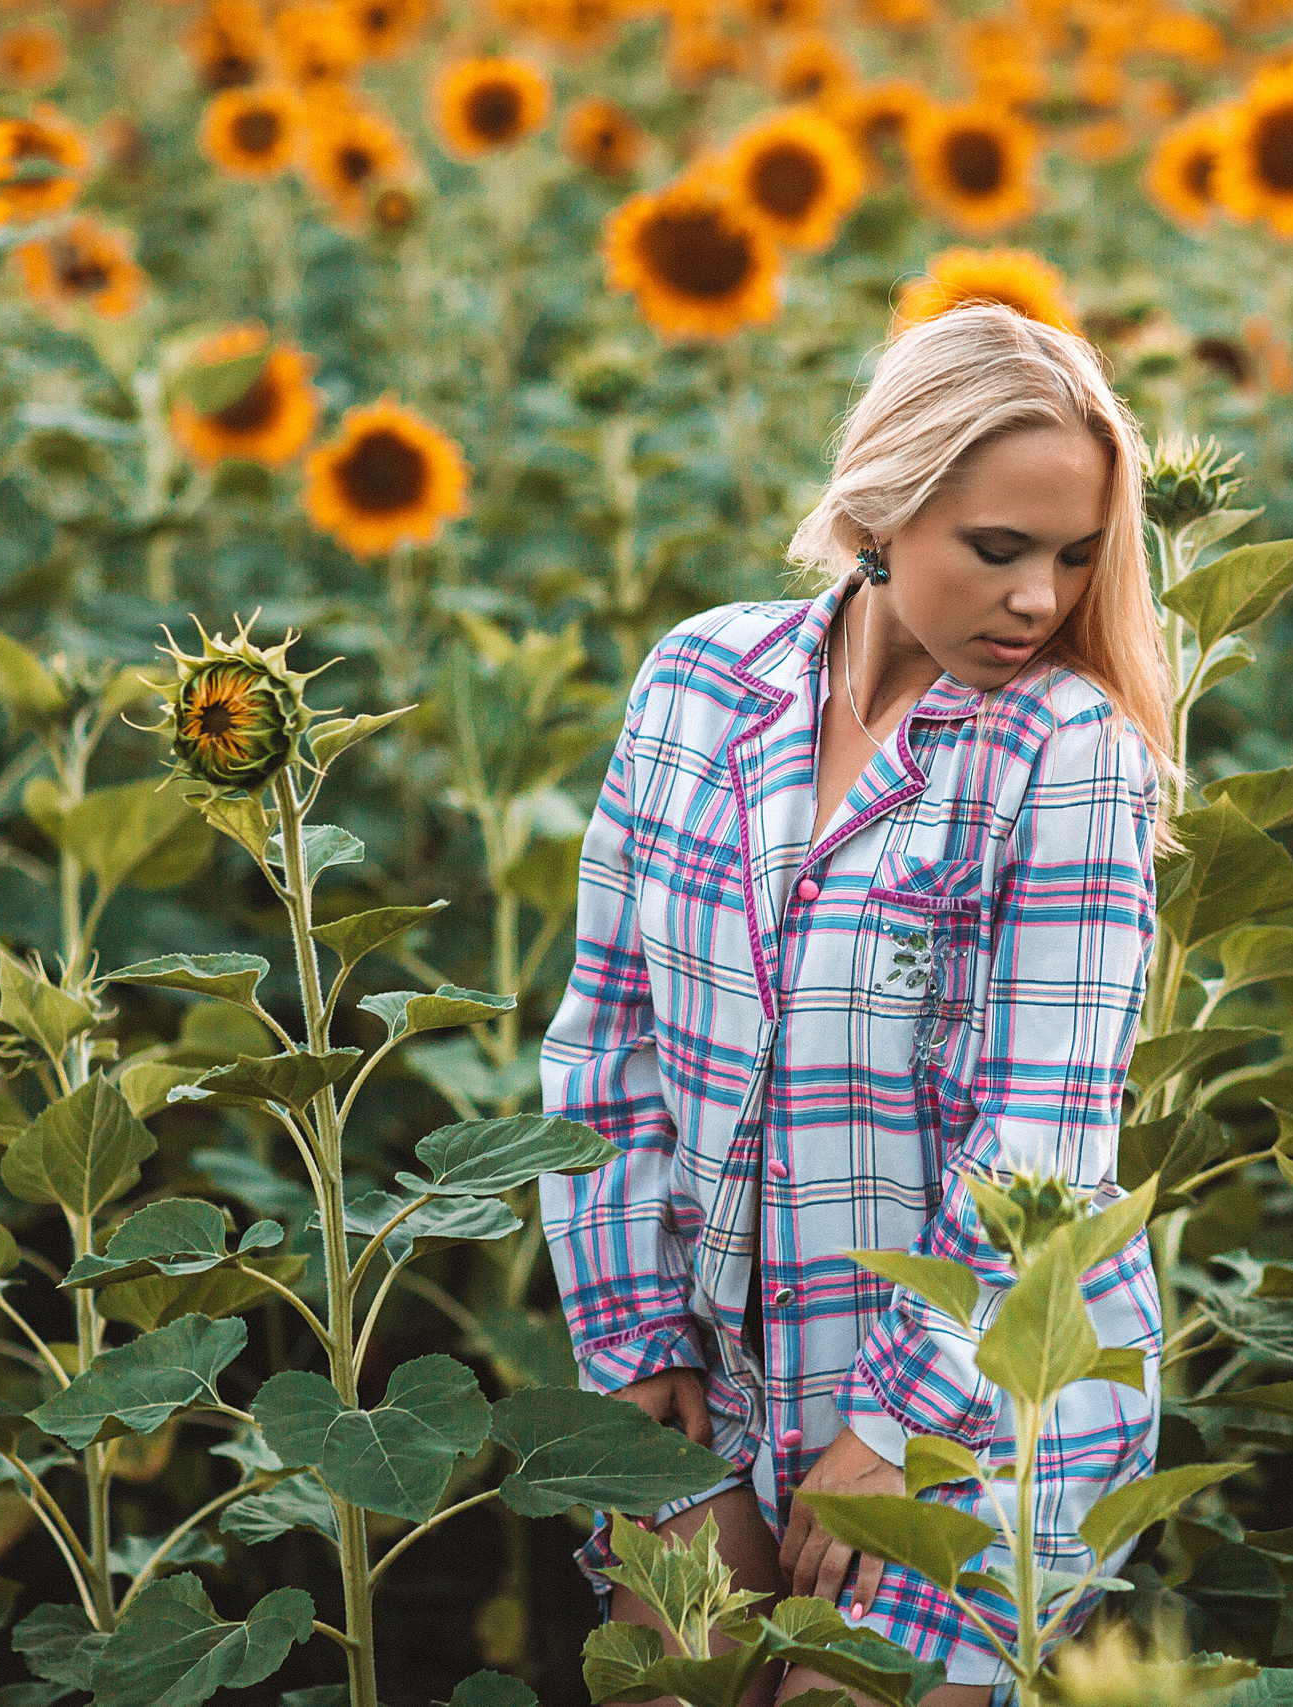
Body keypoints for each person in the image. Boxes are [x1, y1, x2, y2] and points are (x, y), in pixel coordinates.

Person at [535, 302, 1178, 1707]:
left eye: (1076, 556)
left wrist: (894, 1429)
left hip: (980, 1405)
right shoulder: (699, 684)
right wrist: (631, 1339)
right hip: (715, 1376)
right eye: (998, 550)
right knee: (671, 1684)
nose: (1040, 599)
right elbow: (606, 1038)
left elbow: (1044, 1144)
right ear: (882, 509)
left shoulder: (1066, 753)